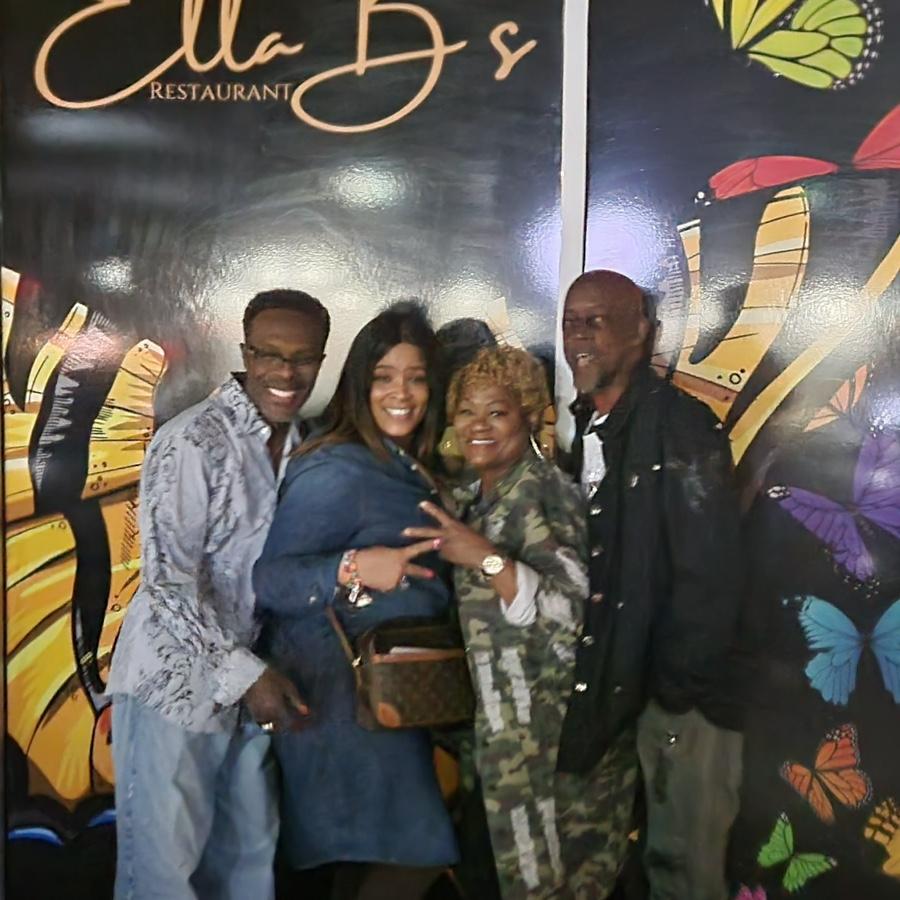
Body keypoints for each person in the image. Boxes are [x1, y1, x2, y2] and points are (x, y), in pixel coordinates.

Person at [106, 289, 330, 899]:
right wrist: (247, 676)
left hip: (252, 693)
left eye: (303, 358)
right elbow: (167, 583)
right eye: (270, 354)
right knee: (165, 881)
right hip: (172, 690)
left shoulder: (307, 446)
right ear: (245, 354)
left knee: (247, 874)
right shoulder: (193, 441)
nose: (286, 372)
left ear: (321, 359)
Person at [252, 301, 458, 900]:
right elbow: (271, 580)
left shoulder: (405, 463)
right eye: (384, 377)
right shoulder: (338, 468)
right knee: (416, 854)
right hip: (339, 703)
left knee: (363, 862)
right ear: (358, 384)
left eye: (416, 378)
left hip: (386, 700)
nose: (401, 393)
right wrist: (353, 567)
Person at [405, 346, 624, 899]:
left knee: (541, 880)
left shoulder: (544, 493)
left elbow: (572, 612)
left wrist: (488, 560)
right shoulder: (470, 496)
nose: (477, 426)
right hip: (495, 734)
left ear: (527, 415)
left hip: (545, 738)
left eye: (496, 412)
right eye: (466, 412)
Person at [556, 270, 745, 900]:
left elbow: (711, 573)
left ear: (643, 333)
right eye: (571, 323)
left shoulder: (680, 425)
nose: (579, 337)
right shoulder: (588, 425)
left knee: (681, 871)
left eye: (596, 321)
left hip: (677, 707)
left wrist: (674, 694)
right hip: (621, 701)